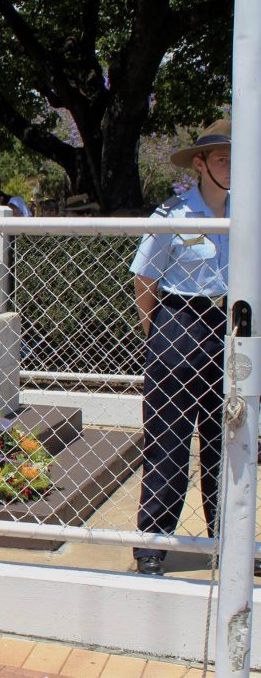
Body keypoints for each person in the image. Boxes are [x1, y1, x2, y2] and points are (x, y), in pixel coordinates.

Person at [128, 119, 252, 576]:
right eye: (221, 159)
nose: (231, 168)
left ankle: (232, 539)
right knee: (169, 439)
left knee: (231, 439)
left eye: (236, 159)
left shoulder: (248, 211)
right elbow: (145, 278)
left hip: (232, 325)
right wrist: (157, 330)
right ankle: (152, 543)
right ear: (200, 164)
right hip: (179, 321)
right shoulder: (173, 216)